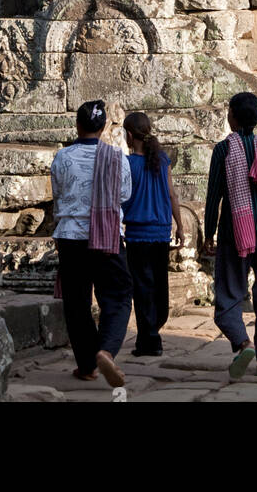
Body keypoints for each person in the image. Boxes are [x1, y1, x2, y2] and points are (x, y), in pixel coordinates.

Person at [202, 92, 257, 380]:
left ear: (233, 117)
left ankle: (243, 343)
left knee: (228, 292)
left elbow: (214, 195)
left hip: (234, 235)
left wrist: (209, 233)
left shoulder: (223, 150)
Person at [50, 100, 132, 388]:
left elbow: (58, 194)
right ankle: (106, 350)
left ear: (78, 125)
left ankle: (87, 366)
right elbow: (124, 194)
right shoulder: (117, 157)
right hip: (107, 235)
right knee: (118, 296)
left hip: (71, 236)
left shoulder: (63, 158)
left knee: (77, 303)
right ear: (104, 127)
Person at [121, 111, 185, 357]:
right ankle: (153, 330)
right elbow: (172, 195)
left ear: (129, 135)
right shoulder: (162, 159)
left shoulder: (128, 164)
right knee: (159, 284)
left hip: (138, 234)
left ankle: (149, 339)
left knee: (143, 287)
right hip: (161, 232)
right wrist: (179, 224)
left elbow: (122, 198)